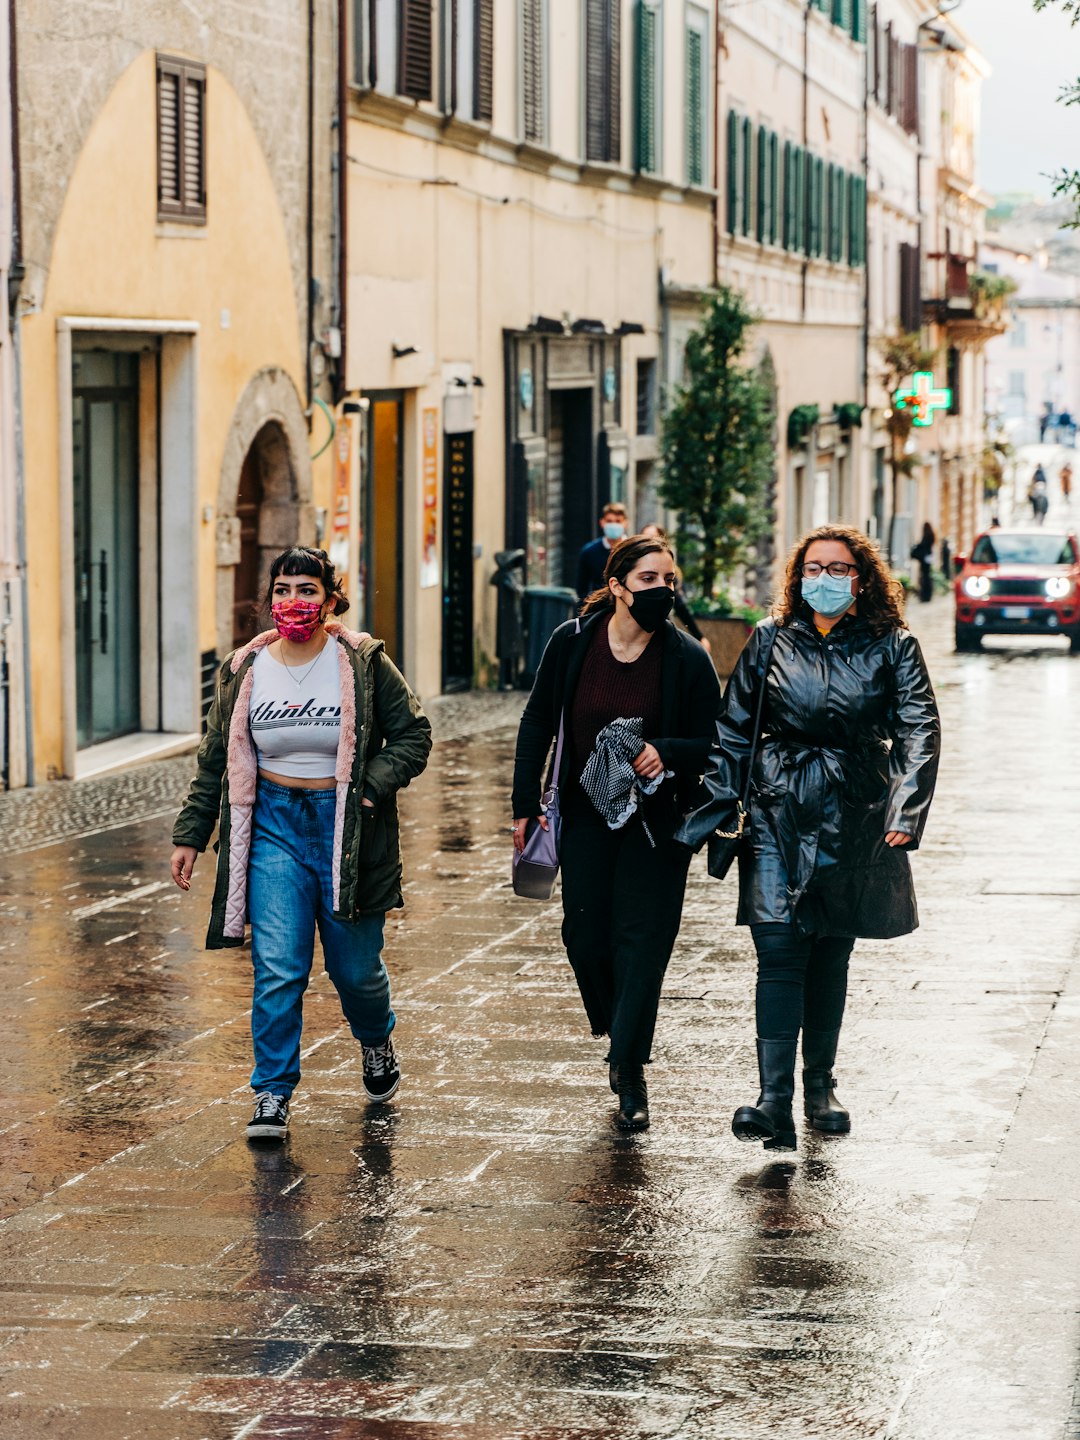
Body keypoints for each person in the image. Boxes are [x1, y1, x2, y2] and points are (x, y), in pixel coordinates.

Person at [684, 525, 939, 1151]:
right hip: (776, 808)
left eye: (840, 568)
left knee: (829, 952)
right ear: (800, 576)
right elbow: (735, 726)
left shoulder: (893, 645)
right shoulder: (770, 640)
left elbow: (918, 729)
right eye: (814, 567)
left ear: (861, 579)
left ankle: (819, 1084)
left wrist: (904, 809)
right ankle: (773, 1101)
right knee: (778, 950)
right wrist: (722, 805)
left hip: (854, 811)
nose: (824, 579)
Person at [170, 546, 432, 1142]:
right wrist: (190, 834)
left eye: (307, 590)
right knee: (279, 969)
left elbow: (414, 735)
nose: (294, 602)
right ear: (269, 600)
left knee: (355, 972)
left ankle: (376, 1038)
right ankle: (271, 1093)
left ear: (330, 599)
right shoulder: (245, 669)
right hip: (273, 827)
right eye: (283, 590)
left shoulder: (363, 663)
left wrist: (369, 789)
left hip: (348, 831)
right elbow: (215, 759)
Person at [512, 535, 721, 1131]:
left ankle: (629, 1065)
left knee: (643, 942)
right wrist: (524, 804)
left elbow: (719, 740)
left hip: (657, 825)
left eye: (670, 581)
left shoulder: (685, 657)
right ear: (616, 587)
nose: (664, 591)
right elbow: (536, 720)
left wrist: (667, 751)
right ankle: (617, 1019)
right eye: (650, 580)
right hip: (583, 815)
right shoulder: (573, 643)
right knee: (584, 934)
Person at [639, 524, 713, 654]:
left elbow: (679, 606)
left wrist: (698, 635)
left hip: (660, 632)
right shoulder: (633, 567)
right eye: (647, 579)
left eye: (653, 538)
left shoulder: (671, 572)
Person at [576, 503, 629, 600]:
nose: (613, 525)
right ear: (602, 523)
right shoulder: (589, 551)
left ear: (625, 523)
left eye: (618, 521)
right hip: (599, 608)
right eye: (609, 521)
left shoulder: (633, 550)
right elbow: (582, 589)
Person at [909, 521, 935, 603]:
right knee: (926, 576)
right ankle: (926, 595)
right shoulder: (931, 535)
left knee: (925, 576)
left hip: (925, 558)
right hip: (928, 558)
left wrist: (917, 546)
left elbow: (923, 545)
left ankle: (925, 595)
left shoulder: (927, 536)